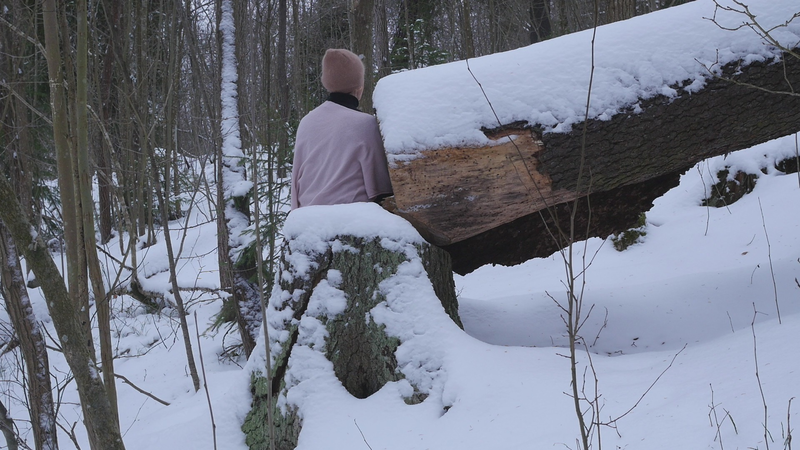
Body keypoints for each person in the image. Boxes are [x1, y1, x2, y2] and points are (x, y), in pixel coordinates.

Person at [290, 48, 393, 210]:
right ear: (359, 87)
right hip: (351, 217)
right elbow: (381, 188)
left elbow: (296, 181)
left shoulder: (306, 122)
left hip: (308, 216)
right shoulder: (366, 124)